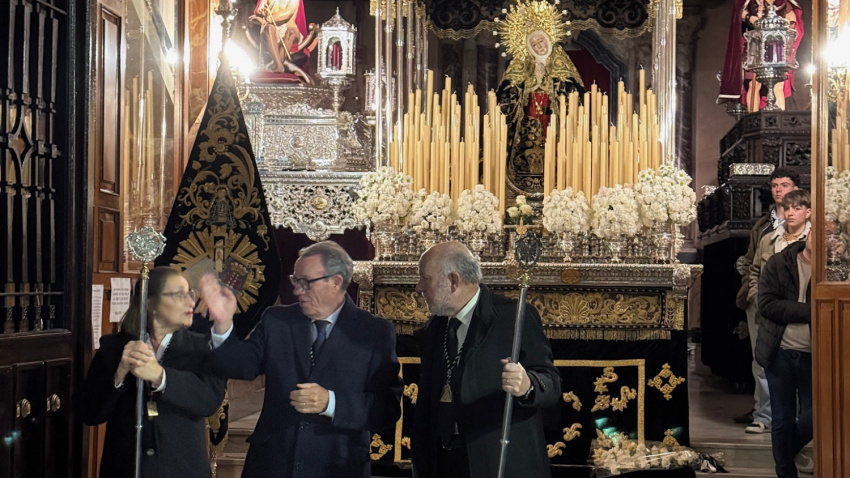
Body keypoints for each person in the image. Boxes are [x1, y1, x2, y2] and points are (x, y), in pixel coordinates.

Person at [202, 240, 402, 478]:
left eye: (306, 283)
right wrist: (223, 324)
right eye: (295, 281)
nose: (297, 290)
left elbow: (386, 408)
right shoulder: (277, 321)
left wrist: (331, 403)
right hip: (273, 464)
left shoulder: (374, 332)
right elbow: (240, 366)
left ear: (336, 282)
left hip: (336, 465)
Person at [410, 241, 560, 478]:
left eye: (425, 279)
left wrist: (527, 384)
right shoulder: (434, 328)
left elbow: (550, 382)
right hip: (444, 463)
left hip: (495, 460)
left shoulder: (513, 317)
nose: (418, 288)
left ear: (453, 280)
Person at [77, 267, 226, 478]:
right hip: (125, 469)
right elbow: (89, 413)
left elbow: (209, 401)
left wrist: (161, 377)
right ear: (151, 304)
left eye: (190, 294)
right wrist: (118, 375)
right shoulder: (114, 347)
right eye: (179, 295)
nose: (191, 302)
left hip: (182, 470)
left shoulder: (203, 348)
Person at [733, 167, 800, 429]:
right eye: (775, 185)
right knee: (761, 361)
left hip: (793, 304)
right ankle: (764, 416)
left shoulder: (807, 221)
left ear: (796, 188)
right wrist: (753, 294)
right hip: (760, 301)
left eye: (785, 184)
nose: (779, 189)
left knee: (794, 358)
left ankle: (791, 416)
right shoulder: (763, 225)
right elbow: (752, 263)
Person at [497, 28, 584, 195]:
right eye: (534, 44)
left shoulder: (563, 67)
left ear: (549, 41)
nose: (539, 47)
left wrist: (555, 87)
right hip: (526, 125)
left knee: (556, 154)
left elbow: (575, 95)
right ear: (529, 49)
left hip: (554, 122)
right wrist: (525, 85)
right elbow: (506, 95)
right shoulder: (521, 67)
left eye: (541, 41)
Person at [756, 233, 813, 477]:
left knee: (814, 418)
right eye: (817, 234)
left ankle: (785, 453)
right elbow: (767, 304)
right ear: (809, 235)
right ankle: (785, 472)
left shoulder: (835, 269)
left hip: (816, 355)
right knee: (782, 419)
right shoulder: (779, 262)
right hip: (780, 351)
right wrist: (812, 311)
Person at [718, 0, 804, 111]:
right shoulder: (750, 2)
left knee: (778, 85)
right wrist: (751, 18)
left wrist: (786, 25)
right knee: (754, 85)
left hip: (776, 47)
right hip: (754, 46)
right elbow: (739, 12)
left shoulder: (781, 3)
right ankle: (753, 118)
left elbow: (790, 14)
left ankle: (779, 118)